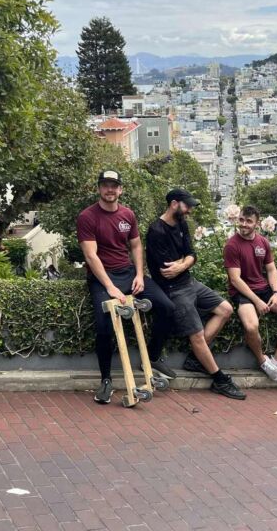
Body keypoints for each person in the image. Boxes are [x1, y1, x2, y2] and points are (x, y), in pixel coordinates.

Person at [78, 170, 178, 405]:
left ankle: (151, 358)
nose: (109, 190)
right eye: (105, 185)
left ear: (121, 189)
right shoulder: (87, 217)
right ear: (99, 188)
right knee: (104, 326)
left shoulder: (127, 215)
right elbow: (91, 256)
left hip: (128, 273)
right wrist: (110, 287)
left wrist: (140, 275)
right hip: (103, 278)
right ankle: (105, 381)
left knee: (167, 307)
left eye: (114, 185)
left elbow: (135, 246)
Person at [145, 188, 244, 400]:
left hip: (190, 282)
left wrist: (183, 263)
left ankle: (194, 359)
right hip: (173, 290)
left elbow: (192, 255)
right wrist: (185, 263)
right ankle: (219, 379)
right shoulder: (156, 231)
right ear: (174, 203)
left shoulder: (181, 223)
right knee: (197, 335)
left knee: (225, 309)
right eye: (186, 205)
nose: (189, 210)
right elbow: (166, 271)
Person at [224, 205, 277, 381]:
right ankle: (262, 360)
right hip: (242, 292)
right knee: (251, 326)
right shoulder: (232, 245)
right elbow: (236, 280)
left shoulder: (263, 242)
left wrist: (275, 292)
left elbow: (271, 269)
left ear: (257, 224)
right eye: (241, 220)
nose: (244, 224)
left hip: (263, 288)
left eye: (248, 221)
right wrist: (257, 301)